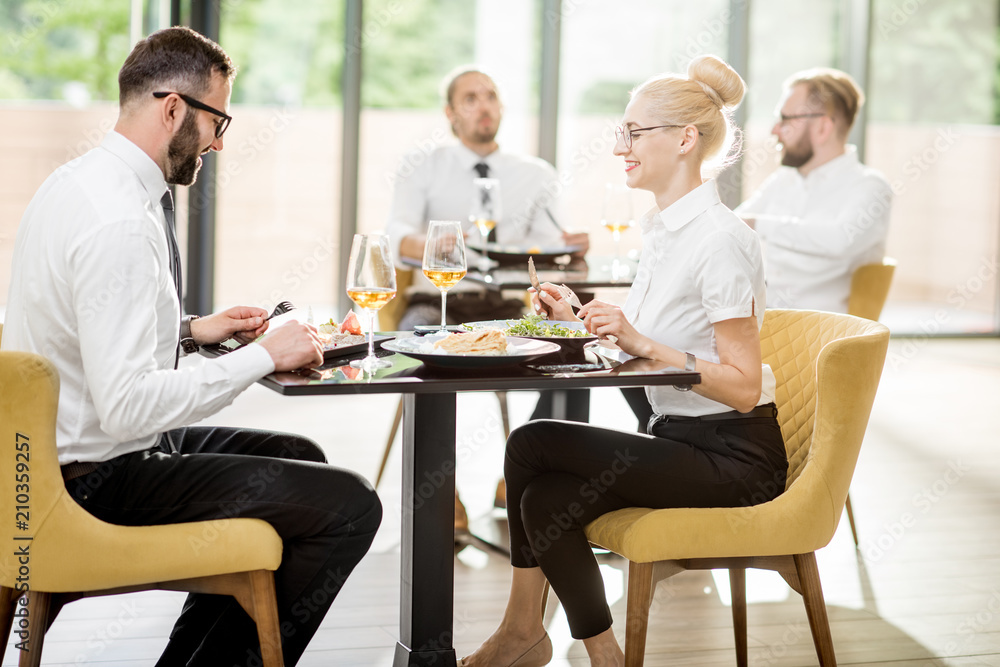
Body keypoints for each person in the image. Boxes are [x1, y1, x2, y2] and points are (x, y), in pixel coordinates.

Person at [1, 27, 381, 667]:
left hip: (51, 460)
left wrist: (190, 331)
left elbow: (77, 332)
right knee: (349, 506)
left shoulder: (79, 184)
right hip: (93, 483)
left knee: (300, 456)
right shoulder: (120, 220)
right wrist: (263, 356)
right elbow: (126, 408)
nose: (221, 141)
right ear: (173, 107)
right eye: (217, 120)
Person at [459, 55, 787, 667]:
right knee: (543, 499)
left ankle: (522, 636)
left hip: (735, 458)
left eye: (634, 133)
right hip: (679, 437)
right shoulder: (667, 232)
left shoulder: (720, 240)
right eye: (622, 131)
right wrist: (579, 323)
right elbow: (645, 357)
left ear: (684, 140)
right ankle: (586, 651)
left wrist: (638, 341)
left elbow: (743, 388)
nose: (620, 147)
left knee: (531, 444)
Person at [385, 65, 588, 329]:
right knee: (421, 343)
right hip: (437, 301)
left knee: (545, 350)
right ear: (450, 113)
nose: (484, 107)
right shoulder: (422, 164)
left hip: (507, 305)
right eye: (470, 99)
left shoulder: (537, 174)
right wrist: (427, 245)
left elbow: (549, 245)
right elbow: (396, 231)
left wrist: (573, 247)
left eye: (491, 97)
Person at [735, 67, 892, 313]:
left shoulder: (871, 187)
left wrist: (757, 224)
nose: (775, 130)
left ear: (822, 128)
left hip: (823, 336)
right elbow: (735, 225)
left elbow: (840, 240)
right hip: (765, 323)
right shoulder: (783, 180)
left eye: (786, 119)